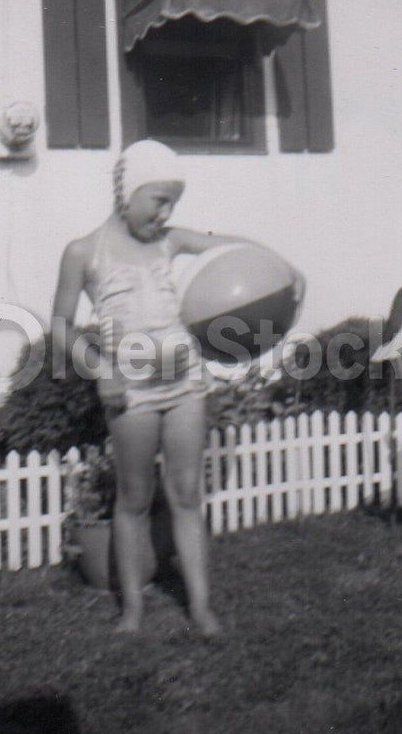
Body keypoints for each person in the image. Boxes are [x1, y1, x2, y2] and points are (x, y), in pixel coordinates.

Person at [52, 139, 304, 635]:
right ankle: (132, 611)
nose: (166, 213)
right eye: (159, 200)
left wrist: (289, 272)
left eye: (173, 203)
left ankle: (201, 607)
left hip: (187, 382)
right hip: (131, 390)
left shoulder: (172, 240)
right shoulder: (84, 251)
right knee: (134, 498)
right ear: (127, 193)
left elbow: (239, 248)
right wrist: (101, 369)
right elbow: (60, 326)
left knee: (187, 494)